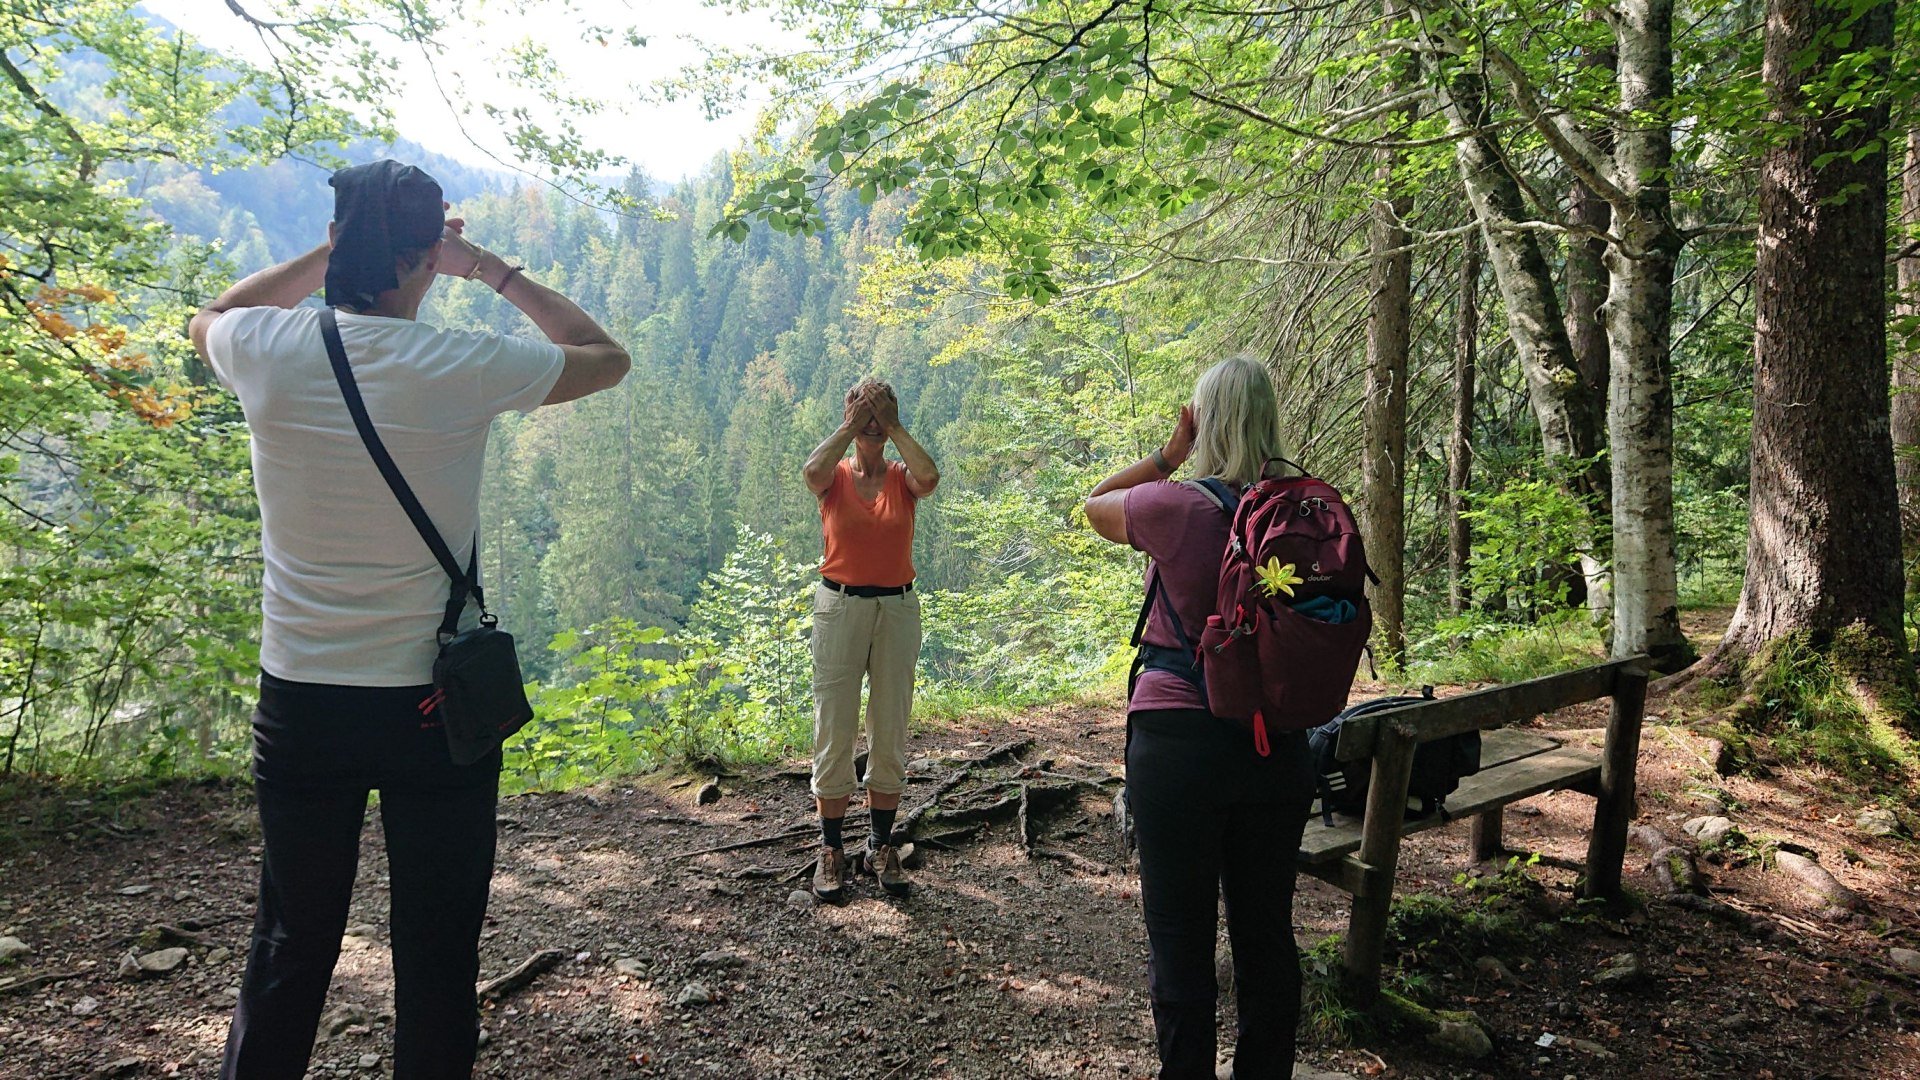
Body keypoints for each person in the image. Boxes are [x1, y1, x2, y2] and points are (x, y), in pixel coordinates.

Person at [188, 160, 630, 1080]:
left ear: (341, 244)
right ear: (427, 255)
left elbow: (211, 315)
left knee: (289, 941)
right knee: (436, 953)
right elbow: (604, 355)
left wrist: (330, 252)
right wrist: (491, 271)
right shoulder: (458, 365)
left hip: (301, 702)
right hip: (433, 711)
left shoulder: (264, 350)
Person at [1083, 356, 1315, 1080]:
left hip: (1178, 742)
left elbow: (1094, 505)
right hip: (1277, 745)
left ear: (1203, 421)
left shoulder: (1174, 506)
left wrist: (1167, 455)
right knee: (1266, 937)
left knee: (1181, 944)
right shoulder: (1302, 512)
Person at [801, 378, 940, 900]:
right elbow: (810, 472)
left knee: (890, 722)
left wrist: (895, 425)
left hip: (898, 607)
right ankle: (831, 848)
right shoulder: (833, 478)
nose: (874, 421)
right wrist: (851, 424)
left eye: (883, 412)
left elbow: (931, 476)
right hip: (839, 605)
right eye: (866, 412)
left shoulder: (904, 479)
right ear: (850, 416)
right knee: (833, 722)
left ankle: (880, 843)